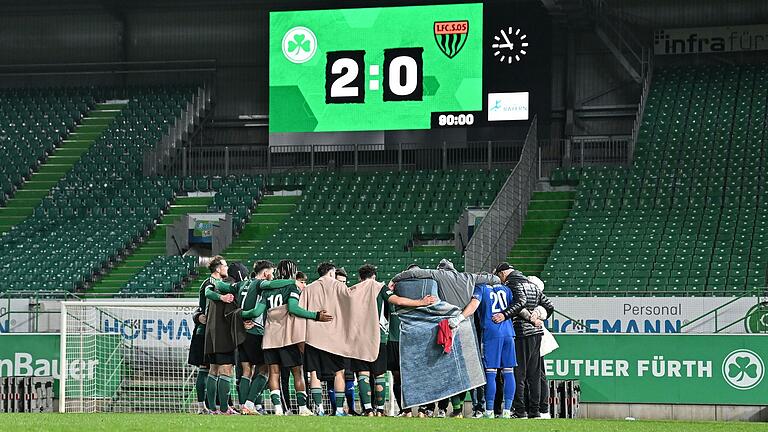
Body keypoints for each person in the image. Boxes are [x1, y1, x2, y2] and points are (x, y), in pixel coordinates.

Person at [390, 259, 500, 418]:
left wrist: (396, 279)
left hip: (446, 325)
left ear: (441, 270)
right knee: (464, 371)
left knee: (445, 371)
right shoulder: (470, 277)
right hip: (466, 326)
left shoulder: (438, 275)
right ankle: (460, 409)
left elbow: (414, 272)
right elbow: (494, 279)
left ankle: (439, 409)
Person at [239, 265, 332, 416]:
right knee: (298, 372)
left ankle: (278, 409)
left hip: (269, 337)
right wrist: (316, 316)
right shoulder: (292, 287)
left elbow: (256, 312)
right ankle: (302, 408)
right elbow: (294, 308)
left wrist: (241, 314)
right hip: (287, 336)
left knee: (273, 373)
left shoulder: (267, 290)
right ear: (292, 272)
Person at [350, 264, 437, 416]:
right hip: (378, 337)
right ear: (374, 276)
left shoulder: (352, 289)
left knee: (363, 374)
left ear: (360, 277)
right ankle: (380, 410)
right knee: (379, 375)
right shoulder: (379, 287)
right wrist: (421, 302)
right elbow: (398, 301)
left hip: (357, 337)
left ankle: (368, 409)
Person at [491, 263, 554, 419]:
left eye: (499, 276)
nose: (500, 280)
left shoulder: (513, 283)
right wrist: (537, 315)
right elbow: (549, 306)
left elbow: (519, 303)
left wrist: (504, 315)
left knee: (518, 374)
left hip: (521, 333)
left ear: (503, 273)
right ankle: (535, 412)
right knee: (534, 375)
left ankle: (520, 411)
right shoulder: (531, 284)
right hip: (537, 334)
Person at [450, 282, 517, 418]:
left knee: (491, 373)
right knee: (509, 372)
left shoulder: (481, 288)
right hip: (509, 333)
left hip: (491, 334)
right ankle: (507, 411)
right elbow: (515, 307)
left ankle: (489, 411)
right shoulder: (506, 289)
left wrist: (459, 318)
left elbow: (474, 304)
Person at [201, 256, 239, 415]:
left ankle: (212, 408)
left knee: (213, 370)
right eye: (224, 265)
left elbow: (208, 292)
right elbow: (208, 292)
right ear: (218, 269)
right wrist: (222, 297)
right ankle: (223, 409)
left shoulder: (215, 285)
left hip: (211, 334)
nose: (227, 268)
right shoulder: (220, 285)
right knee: (225, 370)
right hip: (222, 334)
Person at [235, 260, 274, 415]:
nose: (273, 275)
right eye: (272, 272)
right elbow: (258, 311)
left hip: (242, 332)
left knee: (246, 370)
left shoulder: (244, 284)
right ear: (265, 273)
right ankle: (249, 404)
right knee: (265, 370)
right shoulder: (261, 285)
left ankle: (244, 406)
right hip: (256, 332)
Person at [333, 267, 358, 415]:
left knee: (348, 375)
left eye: (344, 282)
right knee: (334, 375)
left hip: (348, 341)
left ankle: (352, 409)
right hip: (332, 342)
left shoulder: (350, 297)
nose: (342, 284)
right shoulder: (328, 297)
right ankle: (337, 409)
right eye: (339, 281)